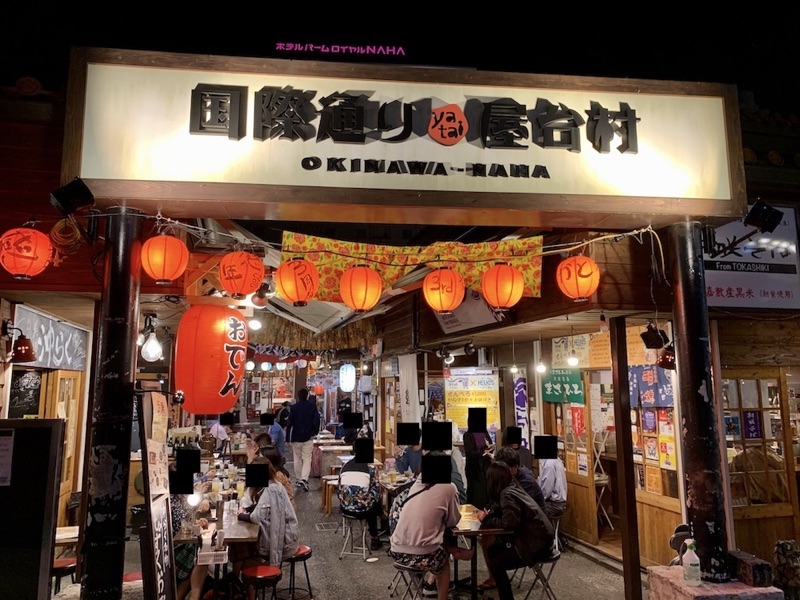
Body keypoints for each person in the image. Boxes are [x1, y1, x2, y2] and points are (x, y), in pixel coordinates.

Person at [389, 463, 473, 600]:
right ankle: (440, 596)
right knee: (443, 562)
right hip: (421, 555)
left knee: (433, 536)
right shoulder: (449, 487)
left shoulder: (416, 484)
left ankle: (453, 550)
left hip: (396, 551)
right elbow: (453, 521)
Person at [476, 461, 556, 600]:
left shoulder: (506, 494)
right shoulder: (513, 488)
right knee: (492, 550)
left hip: (535, 545)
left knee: (496, 563)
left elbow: (510, 523)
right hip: (542, 539)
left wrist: (486, 519)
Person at [236, 458, 300, 599]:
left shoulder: (272, 489)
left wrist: (241, 515)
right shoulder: (270, 486)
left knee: (244, 556)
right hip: (284, 537)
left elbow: (257, 517)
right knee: (242, 553)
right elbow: (260, 509)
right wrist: (247, 509)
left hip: (285, 543)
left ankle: (247, 592)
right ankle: (243, 591)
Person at [338, 444, 384, 550]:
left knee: (368, 499)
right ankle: (375, 538)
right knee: (373, 502)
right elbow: (377, 493)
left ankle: (383, 519)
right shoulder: (371, 469)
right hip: (363, 511)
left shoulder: (344, 467)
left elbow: (339, 488)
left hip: (345, 509)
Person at [170, 492, 210, 600]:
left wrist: (205, 500)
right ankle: (190, 597)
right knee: (201, 552)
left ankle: (189, 596)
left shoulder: (183, 496)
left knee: (203, 550)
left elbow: (190, 515)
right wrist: (194, 524)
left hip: (184, 540)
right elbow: (179, 525)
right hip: (172, 544)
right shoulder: (170, 499)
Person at [285, 387, 320, 491]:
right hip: (308, 437)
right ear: (307, 396)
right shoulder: (312, 406)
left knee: (297, 459)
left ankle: (299, 479)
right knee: (307, 459)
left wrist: (288, 438)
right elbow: (317, 421)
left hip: (296, 437)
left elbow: (289, 423)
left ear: (298, 396)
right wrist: (314, 433)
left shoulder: (294, 407)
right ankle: (304, 479)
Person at [463, 408, 494, 509]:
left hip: (486, 468)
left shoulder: (485, 432)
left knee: (487, 493)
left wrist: (490, 448)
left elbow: (489, 444)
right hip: (475, 469)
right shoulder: (468, 435)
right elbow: (470, 452)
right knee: (476, 494)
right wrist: (483, 453)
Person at [538, 455, 568, 520]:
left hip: (555, 504)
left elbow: (545, 492)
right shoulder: (556, 459)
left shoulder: (549, 464)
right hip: (560, 502)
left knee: (532, 509)